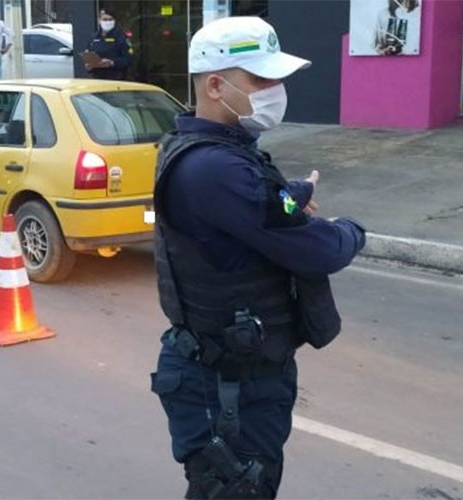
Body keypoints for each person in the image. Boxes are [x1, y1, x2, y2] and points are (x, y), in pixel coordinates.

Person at [150, 17, 366, 499]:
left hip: (239, 376)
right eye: (262, 80)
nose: (276, 90)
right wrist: (351, 231)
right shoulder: (215, 166)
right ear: (215, 84)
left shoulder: (220, 151)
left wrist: (297, 191)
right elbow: (316, 249)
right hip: (225, 387)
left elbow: (262, 205)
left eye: (277, 79)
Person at [84, 8, 134, 80]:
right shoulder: (94, 37)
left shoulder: (121, 37)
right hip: (97, 79)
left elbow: (128, 60)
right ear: (99, 21)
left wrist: (112, 62)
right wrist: (89, 65)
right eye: (105, 19)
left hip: (116, 78)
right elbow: (88, 54)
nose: (107, 22)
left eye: (110, 19)